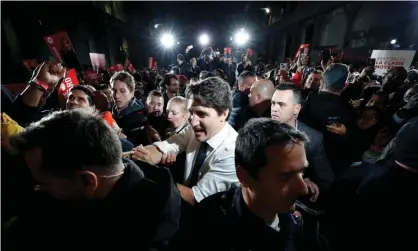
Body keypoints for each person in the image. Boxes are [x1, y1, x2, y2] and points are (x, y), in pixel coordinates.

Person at [3, 109, 181, 250]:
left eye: (42, 184)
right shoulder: (93, 175)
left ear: (89, 182)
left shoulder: (143, 236)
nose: (37, 189)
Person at [191, 118, 309, 251]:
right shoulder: (210, 224)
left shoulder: (307, 222)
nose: (303, 189)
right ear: (244, 177)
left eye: (302, 172)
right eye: (285, 177)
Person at [131, 77, 239, 205]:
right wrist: (140, 156)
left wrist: (151, 175)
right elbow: (165, 147)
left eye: (201, 114)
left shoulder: (233, 153)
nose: (193, 122)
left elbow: (195, 197)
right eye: (191, 113)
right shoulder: (192, 130)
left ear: (224, 114)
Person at [272, 83, 334, 197]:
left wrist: (311, 184)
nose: (274, 109)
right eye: (273, 103)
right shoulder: (258, 131)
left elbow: (326, 178)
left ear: (297, 109)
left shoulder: (313, 138)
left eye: (281, 104)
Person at [110, 71, 148, 144]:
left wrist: (122, 140)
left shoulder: (140, 120)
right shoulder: (111, 112)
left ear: (132, 93)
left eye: (122, 91)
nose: (116, 96)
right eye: (114, 91)